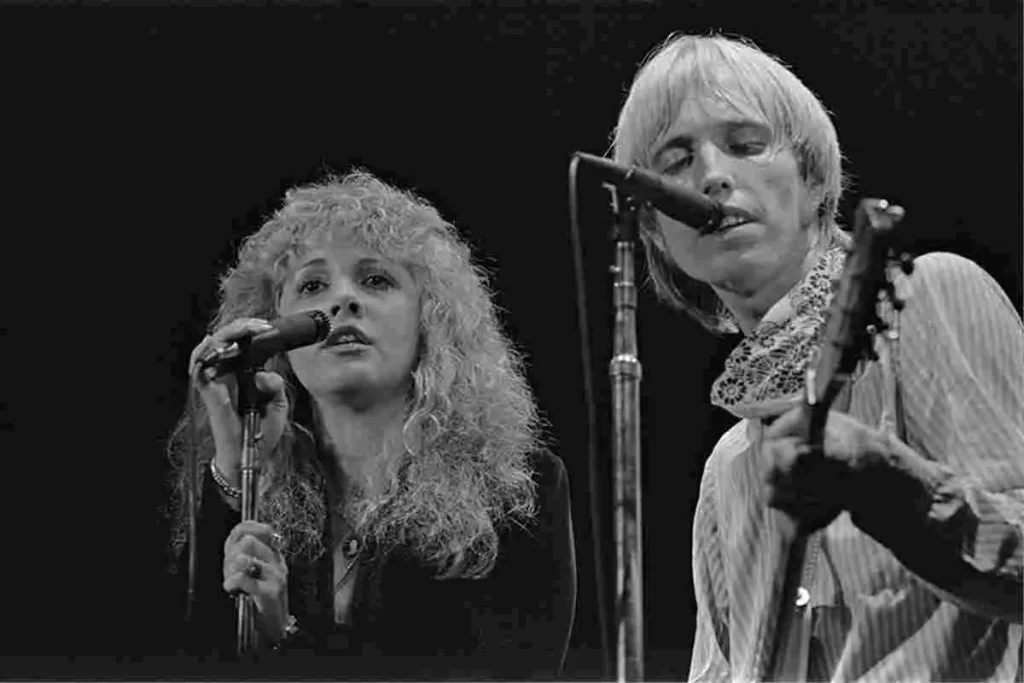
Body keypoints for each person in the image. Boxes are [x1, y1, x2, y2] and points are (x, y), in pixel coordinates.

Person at [612, 33, 1022, 681]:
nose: (712, 174)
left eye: (746, 144)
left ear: (812, 181)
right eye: (676, 158)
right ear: (657, 231)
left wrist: (887, 483)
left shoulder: (932, 298)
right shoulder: (728, 471)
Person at [164, 170, 577, 679]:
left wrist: (287, 635)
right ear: (273, 330)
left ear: (431, 319)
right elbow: (183, 661)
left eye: (375, 280)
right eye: (313, 284)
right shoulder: (253, 491)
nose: (343, 301)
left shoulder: (517, 492)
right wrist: (232, 458)